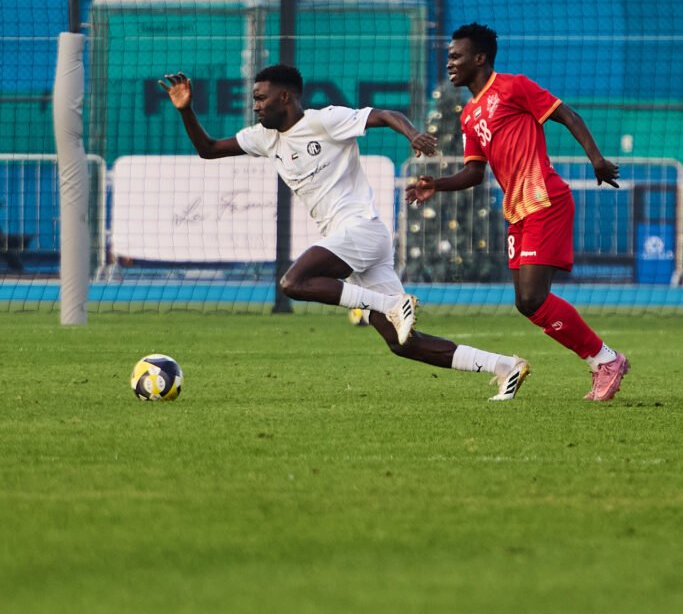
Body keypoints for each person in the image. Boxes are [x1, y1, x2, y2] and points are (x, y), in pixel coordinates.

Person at [159, 63, 531, 400]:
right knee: (402, 343)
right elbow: (208, 149)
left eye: (260, 98)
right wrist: (185, 109)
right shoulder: (264, 138)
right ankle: (504, 366)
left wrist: (413, 133)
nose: (255, 106)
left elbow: (384, 115)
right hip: (354, 244)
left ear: (284, 97)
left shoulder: (325, 120)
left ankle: (392, 305)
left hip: (361, 230)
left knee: (293, 282)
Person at [406, 23, 629, 402]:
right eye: (448, 57)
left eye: (456, 56)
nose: (449, 63)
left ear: (480, 58)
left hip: (545, 199)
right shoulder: (469, 114)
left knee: (533, 298)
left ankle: (606, 360)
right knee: (526, 303)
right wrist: (436, 185)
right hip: (518, 211)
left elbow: (568, 114)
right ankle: (602, 360)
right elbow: (474, 172)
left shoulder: (513, 87)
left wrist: (596, 158)